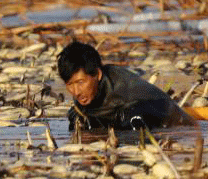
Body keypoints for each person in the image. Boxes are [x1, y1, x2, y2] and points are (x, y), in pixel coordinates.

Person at [57, 41, 195, 131]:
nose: (76, 92)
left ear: (97, 75)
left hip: (167, 118)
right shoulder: (86, 95)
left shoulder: (122, 88)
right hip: (122, 115)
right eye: (70, 84)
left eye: (81, 82)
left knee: (132, 117)